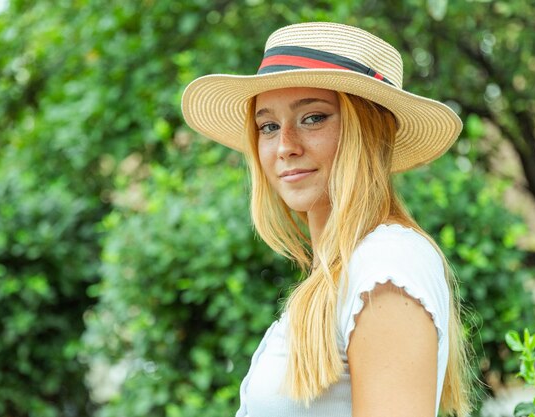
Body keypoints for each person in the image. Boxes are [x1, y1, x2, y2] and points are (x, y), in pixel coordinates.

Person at [182, 22, 472, 417]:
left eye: (313, 118)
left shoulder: (388, 264)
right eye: (268, 126)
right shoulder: (343, 271)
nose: (285, 146)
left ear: (369, 132)